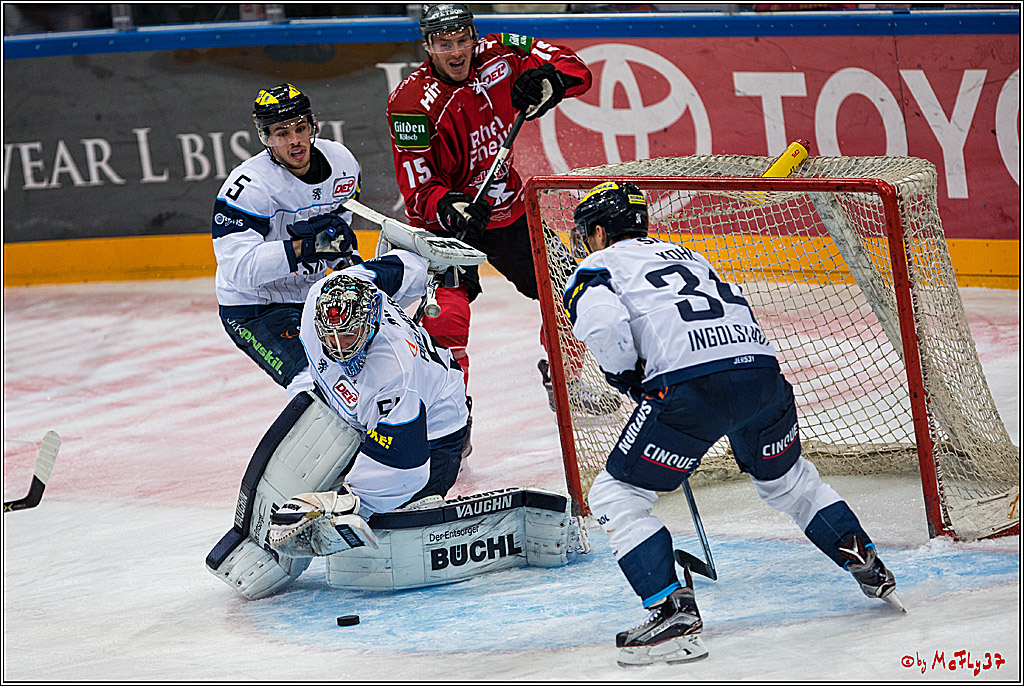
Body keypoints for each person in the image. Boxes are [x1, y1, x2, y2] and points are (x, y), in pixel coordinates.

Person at [562, 181, 902, 666]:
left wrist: (630, 377)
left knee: (617, 495)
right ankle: (867, 562)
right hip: (762, 375)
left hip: (693, 387)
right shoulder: (689, 255)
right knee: (792, 484)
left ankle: (669, 614)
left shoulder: (597, 266)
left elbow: (603, 328)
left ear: (597, 231)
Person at [385, 2, 619, 415]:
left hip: (507, 208)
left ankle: (565, 382)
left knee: (571, 292)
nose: (456, 52)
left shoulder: (503, 52)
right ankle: (450, 414)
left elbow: (576, 68)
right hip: (448, 227)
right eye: (444, 44)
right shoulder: (411, 102)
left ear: (473, 36)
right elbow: (419, 189)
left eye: (462, 40)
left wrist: (550, 82)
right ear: (427, 46)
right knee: (445, 319)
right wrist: (451, 207)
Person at [212, 82, 362, 400]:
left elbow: (338, 237)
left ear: (313, 125)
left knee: (364, 372)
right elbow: (238, 269)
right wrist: (304, 247)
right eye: (282, 132)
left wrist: (348, 266)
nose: (295, 141)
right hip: (255, 307)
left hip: (312, 297)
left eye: (300, 128)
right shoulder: (249, 186)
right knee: (314, 382)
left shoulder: (342, 163)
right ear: (265, 137)